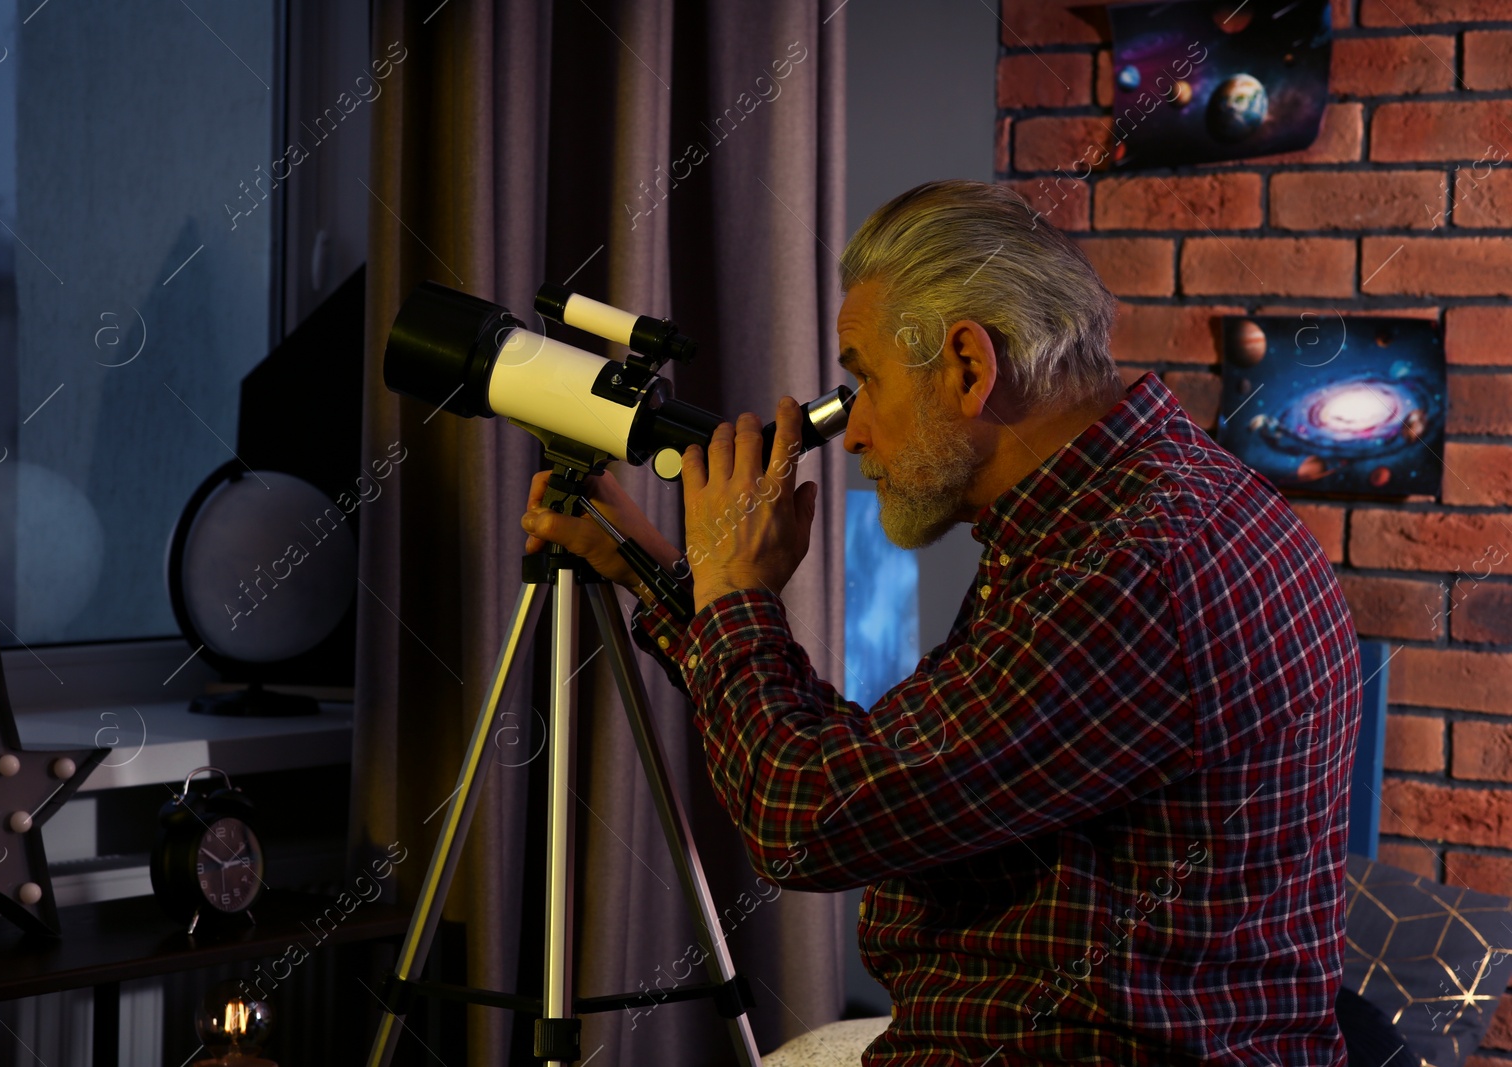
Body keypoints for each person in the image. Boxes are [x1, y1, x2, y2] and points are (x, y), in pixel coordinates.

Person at [521, 179, 1362, 1066]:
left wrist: (738, 592)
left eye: (865, 381)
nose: (852, 435)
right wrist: (658, 575)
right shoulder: (1128, 506)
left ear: (968, 363)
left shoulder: (1122, 572)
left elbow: (805, 819)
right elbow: (894, 770)